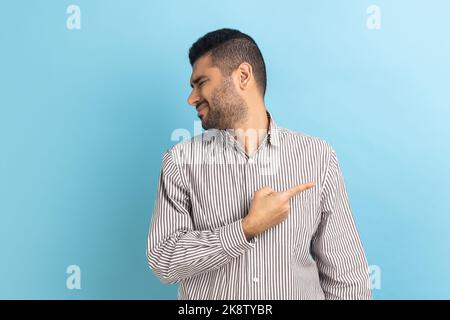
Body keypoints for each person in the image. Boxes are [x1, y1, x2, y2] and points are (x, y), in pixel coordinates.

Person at [147, 28, 372, 300]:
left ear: (243, 76)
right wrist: (245, 228)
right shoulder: (181, 162)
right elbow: (165, 259)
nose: (191, 98)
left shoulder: (317, 157)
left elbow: (347, 279)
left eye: (201, 82)